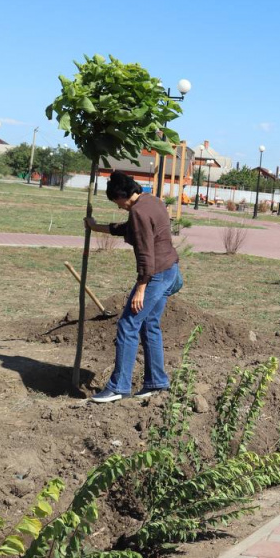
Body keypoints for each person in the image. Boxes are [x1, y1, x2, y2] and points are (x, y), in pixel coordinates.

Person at [84, 171, 183, 402]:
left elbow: (145, 254)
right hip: (170, 269)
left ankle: (119, 387)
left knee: (128, 324)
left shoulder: (138, 211)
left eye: (116, 201)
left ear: (122, 195)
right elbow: (130, 229)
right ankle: (156, 382)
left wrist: (141, 287)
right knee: (150, 324)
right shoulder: (152, 201)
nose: (118, 207)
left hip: (155, 274)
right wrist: (97, 227)